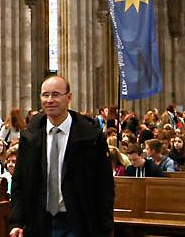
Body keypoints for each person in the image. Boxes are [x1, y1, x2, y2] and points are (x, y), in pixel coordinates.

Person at [9, 76, 114, 237]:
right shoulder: (30, 135)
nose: (50, 100)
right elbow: (19, 182)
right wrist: (16, 222)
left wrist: (104, 228)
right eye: (45, 95)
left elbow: (104, 185)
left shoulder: (90, 136)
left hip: (77, 221)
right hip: (38, 221)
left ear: (69, 97)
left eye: (56, 94)